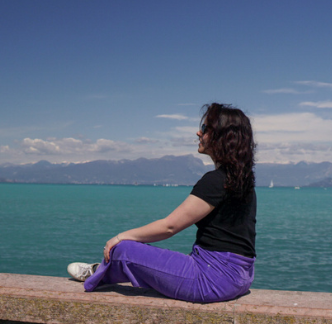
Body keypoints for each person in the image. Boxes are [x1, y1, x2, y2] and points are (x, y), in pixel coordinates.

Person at [67, 103, 257, 303]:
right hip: (240, 278)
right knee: (151, 258)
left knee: (123, 250)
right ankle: (105, 270)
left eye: (204, 128)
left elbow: (169, 227)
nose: (198, 132)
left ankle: (100, 270)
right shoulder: (243, 181)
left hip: (211, 280)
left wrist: (120, 237)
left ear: (221, 137)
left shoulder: (216, 181)